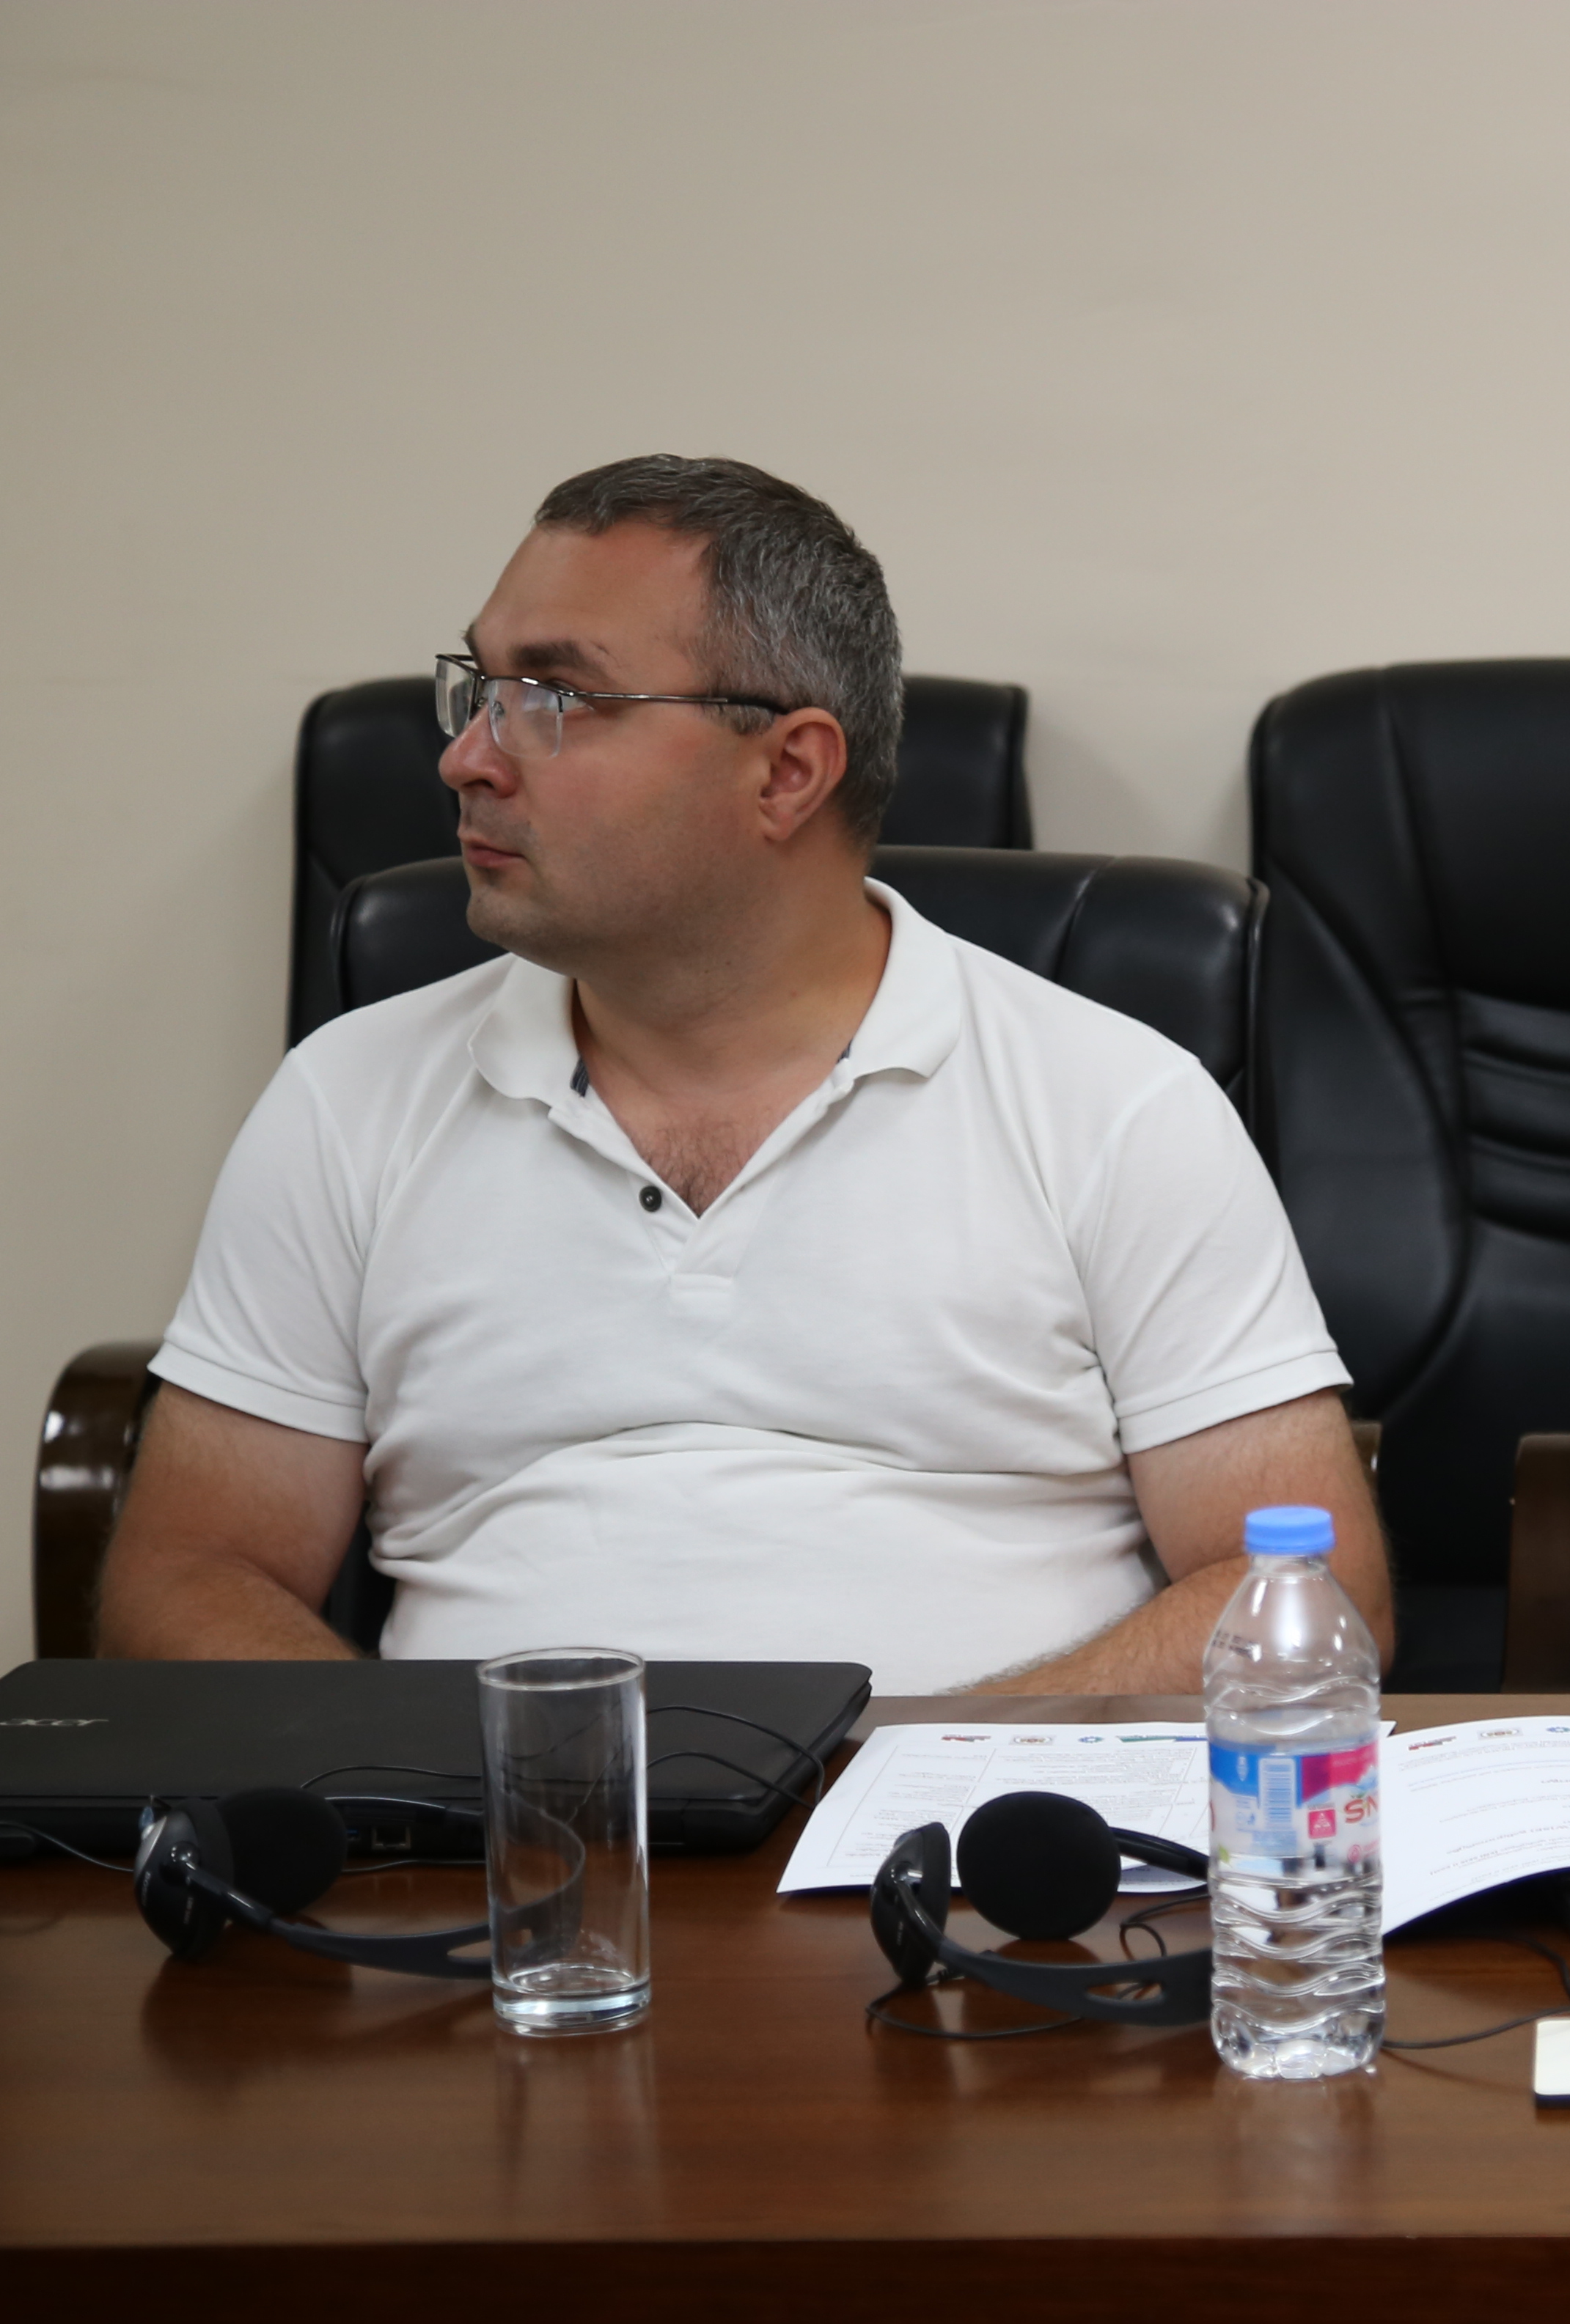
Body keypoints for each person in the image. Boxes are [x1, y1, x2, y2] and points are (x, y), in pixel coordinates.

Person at [104, 455, 1386, 1693]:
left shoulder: (1115, 1104)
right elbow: (186, 1578)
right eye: (480, 688)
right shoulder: (350, 1096)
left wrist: (909, 1771)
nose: (469, 758)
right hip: (498, 1825)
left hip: (969, 1826)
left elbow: (1304, 1593)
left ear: (787, 771)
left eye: (555, 698)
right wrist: (440, 1789)